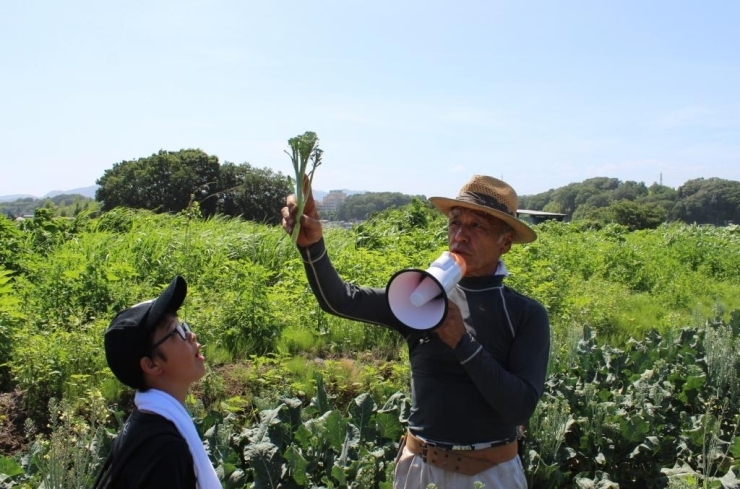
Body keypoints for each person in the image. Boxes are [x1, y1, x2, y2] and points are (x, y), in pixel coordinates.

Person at [281, 175, 550, 488]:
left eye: (477, 226)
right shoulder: (418, 295)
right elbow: (340, 300)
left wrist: (463, 344)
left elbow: (520, 406)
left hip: (490, 476)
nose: (460, 235)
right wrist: (311, 246)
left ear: (505, 242)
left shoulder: (524, 314)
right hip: (420, 470)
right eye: (455, 222)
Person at [93, 275, 220, 489]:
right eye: (175, 332)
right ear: (151, 365)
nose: (191, 335)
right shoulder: (166, 451)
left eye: (183, 326)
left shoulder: (147, 426)